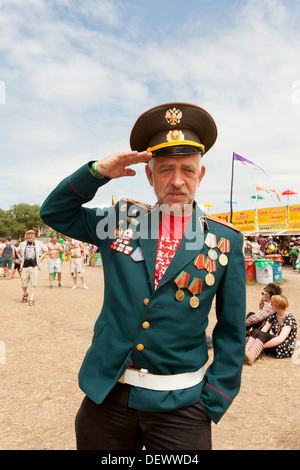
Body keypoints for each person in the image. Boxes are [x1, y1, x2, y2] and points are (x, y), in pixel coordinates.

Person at [40, 102, 246, 450]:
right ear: (149, 175)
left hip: (182, 404)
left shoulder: (225, 241)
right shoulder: (118, 221)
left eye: (188, 170)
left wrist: (216, 396)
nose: (177, 181)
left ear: (201, 174)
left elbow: (231, 329)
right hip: (107, 397)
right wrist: (98, 171)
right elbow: (55, 212)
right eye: (166, 169)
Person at [245, 295, 297, 365]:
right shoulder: (274, 315)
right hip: (273, 343)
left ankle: (251, 356)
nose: (271, 305)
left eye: (272, 304)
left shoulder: (289, 319)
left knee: (261, 335)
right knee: (257, 331)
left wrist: (261, 346)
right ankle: (246, 351)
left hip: (283, 347)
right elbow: (264, 330)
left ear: (277, 306)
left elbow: (281, 339)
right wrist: (256, 343)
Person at [16, 230, 48, 306]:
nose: (30, 236)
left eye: (32, 235)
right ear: (26, 236)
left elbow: (46, 250)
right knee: (24, 284)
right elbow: (17, 251)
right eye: (29, 235)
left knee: (33, 283)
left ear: (34, 236)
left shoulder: (39, 243)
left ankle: (31, 299)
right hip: (24, 266)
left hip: (34, 266)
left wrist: (41, 257)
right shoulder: (23, 244)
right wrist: (20, 257)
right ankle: (25, 293)